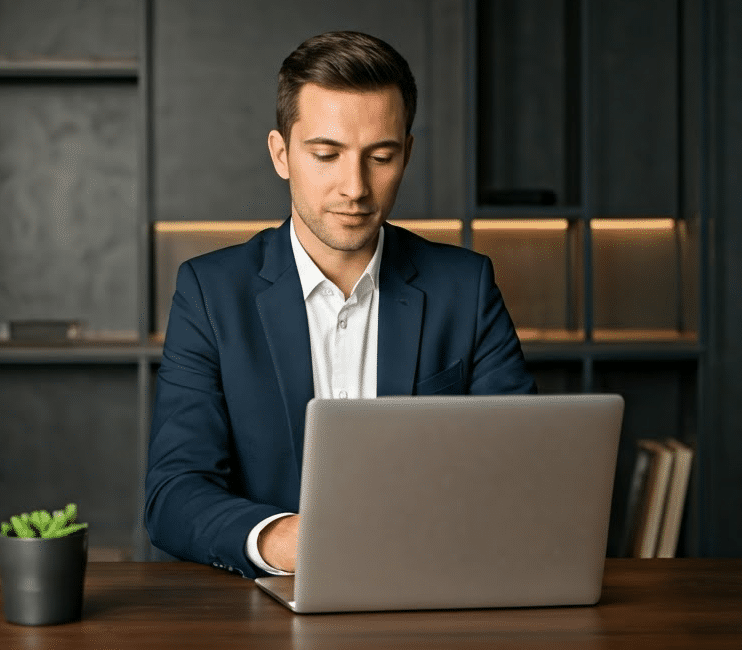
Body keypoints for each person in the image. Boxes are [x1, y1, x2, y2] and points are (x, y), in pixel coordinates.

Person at [144, 30, 536, 578]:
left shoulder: (465, 287)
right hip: (271, 609)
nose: (355, 187)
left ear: (407, 155)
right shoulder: (210, 293)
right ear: (281, 155)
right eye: (326, 154)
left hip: (432, 588)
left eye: (380, 156)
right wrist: (287, 542)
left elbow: (520, 470)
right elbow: (173, 494)